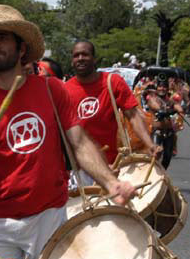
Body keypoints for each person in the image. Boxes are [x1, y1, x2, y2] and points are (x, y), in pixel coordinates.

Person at [0, 5, 136, 259]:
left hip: (47, 218)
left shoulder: (52, 91)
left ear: (21, 50)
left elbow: (79, 142)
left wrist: (111, 182)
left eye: (3, 38)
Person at [65, 40, 159, 173]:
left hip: (111, 165)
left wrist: (150, 144)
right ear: (72, 61)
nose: (80, 58)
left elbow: (133, 116)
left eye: (85, 54)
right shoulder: (64, 90)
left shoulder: (113, 82)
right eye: (76, 55)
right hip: (78, 169)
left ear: (94, 59)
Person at [144, 77, 183, 169]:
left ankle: (162, 173)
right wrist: (168, 110)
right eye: (160, 87)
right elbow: (157, 107)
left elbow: (180, 109)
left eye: (164, 87)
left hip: (169, 132)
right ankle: (152, 172)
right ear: (156, 88)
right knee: (155, 153)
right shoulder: (152, 99)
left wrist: (174, 110)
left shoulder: (170, 100)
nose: (162, 89)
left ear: (167, 88)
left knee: (167, 157)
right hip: (156, 131)